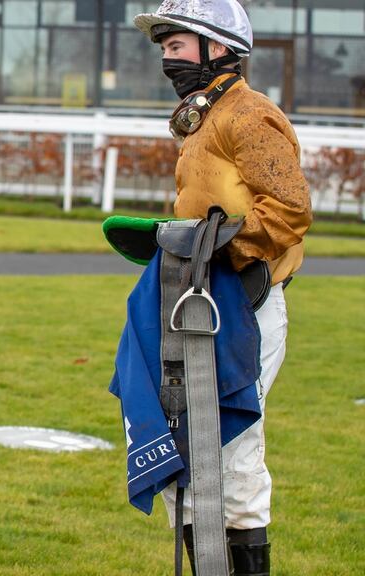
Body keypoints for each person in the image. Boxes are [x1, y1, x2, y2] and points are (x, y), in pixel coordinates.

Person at [133, 0, 312, 573]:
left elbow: (288, 210)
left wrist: (214, 245)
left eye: (177, 45)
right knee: (188, 449)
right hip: (200, 304)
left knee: (230, 452)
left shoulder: (249, 115)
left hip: (246, 305)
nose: (168, 58)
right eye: (163, 48)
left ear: (218, 48)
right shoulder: (203, 115)